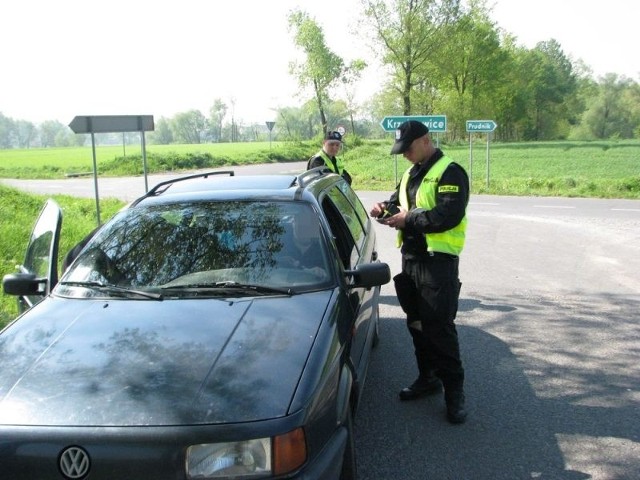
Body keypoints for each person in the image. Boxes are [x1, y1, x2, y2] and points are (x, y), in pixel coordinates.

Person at [370, 120, 470, 424]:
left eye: (408, 149)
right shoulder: (411, 172)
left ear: (426, 140)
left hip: (437, 264)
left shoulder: (450, 171)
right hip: (411, 260)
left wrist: (407, 219)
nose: (404, 155)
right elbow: (397, 204)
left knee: (440, 330)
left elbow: (447, 215)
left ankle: (455, 394)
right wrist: (383, 211)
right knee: (416, 325)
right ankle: (427, 378)